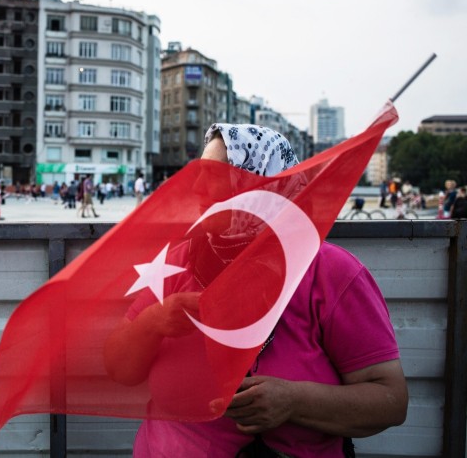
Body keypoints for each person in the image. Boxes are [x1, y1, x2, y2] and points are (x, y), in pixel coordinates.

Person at [104, 124, 407, 458]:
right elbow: (119, 370)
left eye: (214, 174)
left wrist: (294, 401)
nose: (198, 186)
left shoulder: (330, 272)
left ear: (263, 185)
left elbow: (390, 401)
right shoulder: (179, 263)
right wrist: (153, 321)